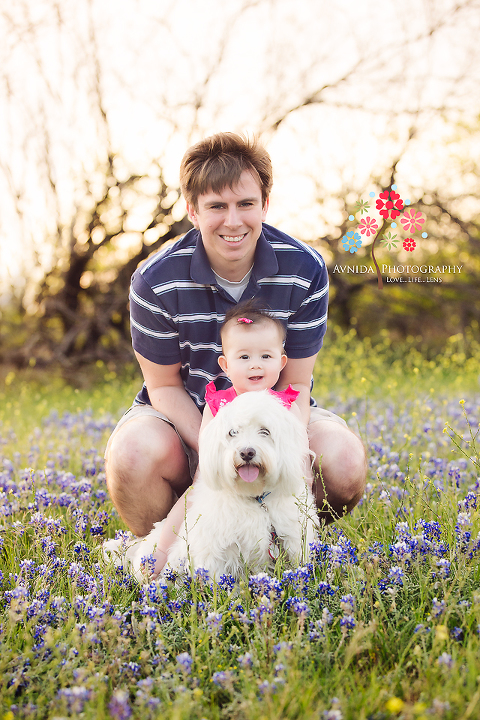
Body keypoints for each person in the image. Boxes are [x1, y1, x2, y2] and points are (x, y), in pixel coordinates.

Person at [105, 131, 366, 575]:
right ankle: (173, 559)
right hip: (184, 412)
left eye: (246, 204)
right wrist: (214, 448)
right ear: (192, 210)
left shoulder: (305, 267)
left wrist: (286, 449)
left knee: (342, 461)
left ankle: (284, 552)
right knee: (130, 456)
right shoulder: (154, 278)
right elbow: (163, 386)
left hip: (276, 416)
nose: (233, 221)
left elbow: (296, 382)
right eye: (216, 206)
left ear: (265, 203)